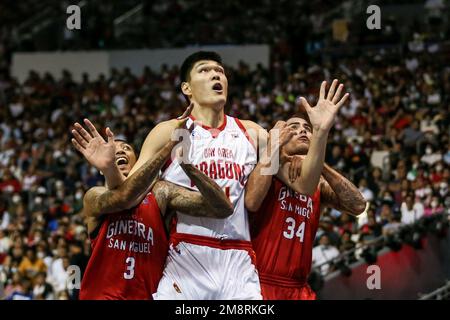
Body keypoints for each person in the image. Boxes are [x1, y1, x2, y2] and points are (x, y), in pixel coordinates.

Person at [88, 51, 269, 300]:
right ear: (187, 87)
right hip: (187, 253)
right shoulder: (167, 131)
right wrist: (110, 169)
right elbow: (128, 195)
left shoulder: (254, 132)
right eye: (204, 70)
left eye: (220, 71)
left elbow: (287, 187)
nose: (216, 74)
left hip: (240, 254)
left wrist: (318, 133)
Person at [70, 109, 233, 300]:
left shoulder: (160, 192)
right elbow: (122, 198)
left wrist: (189, 167)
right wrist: (167, 146)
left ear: (139, 162)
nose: (120, 150)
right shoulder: (94, 196)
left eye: (127, 148)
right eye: (114, 150)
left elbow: (223, 208)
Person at [246, 80, 367, 300]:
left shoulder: (318, 183)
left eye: (307, 129)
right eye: (294, 127)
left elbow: (358, 205)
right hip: (257, 281)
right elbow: (251, 201)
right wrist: (277, 150)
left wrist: (321, 165)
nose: (302, 131)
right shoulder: (268, 166)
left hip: (299, 287)